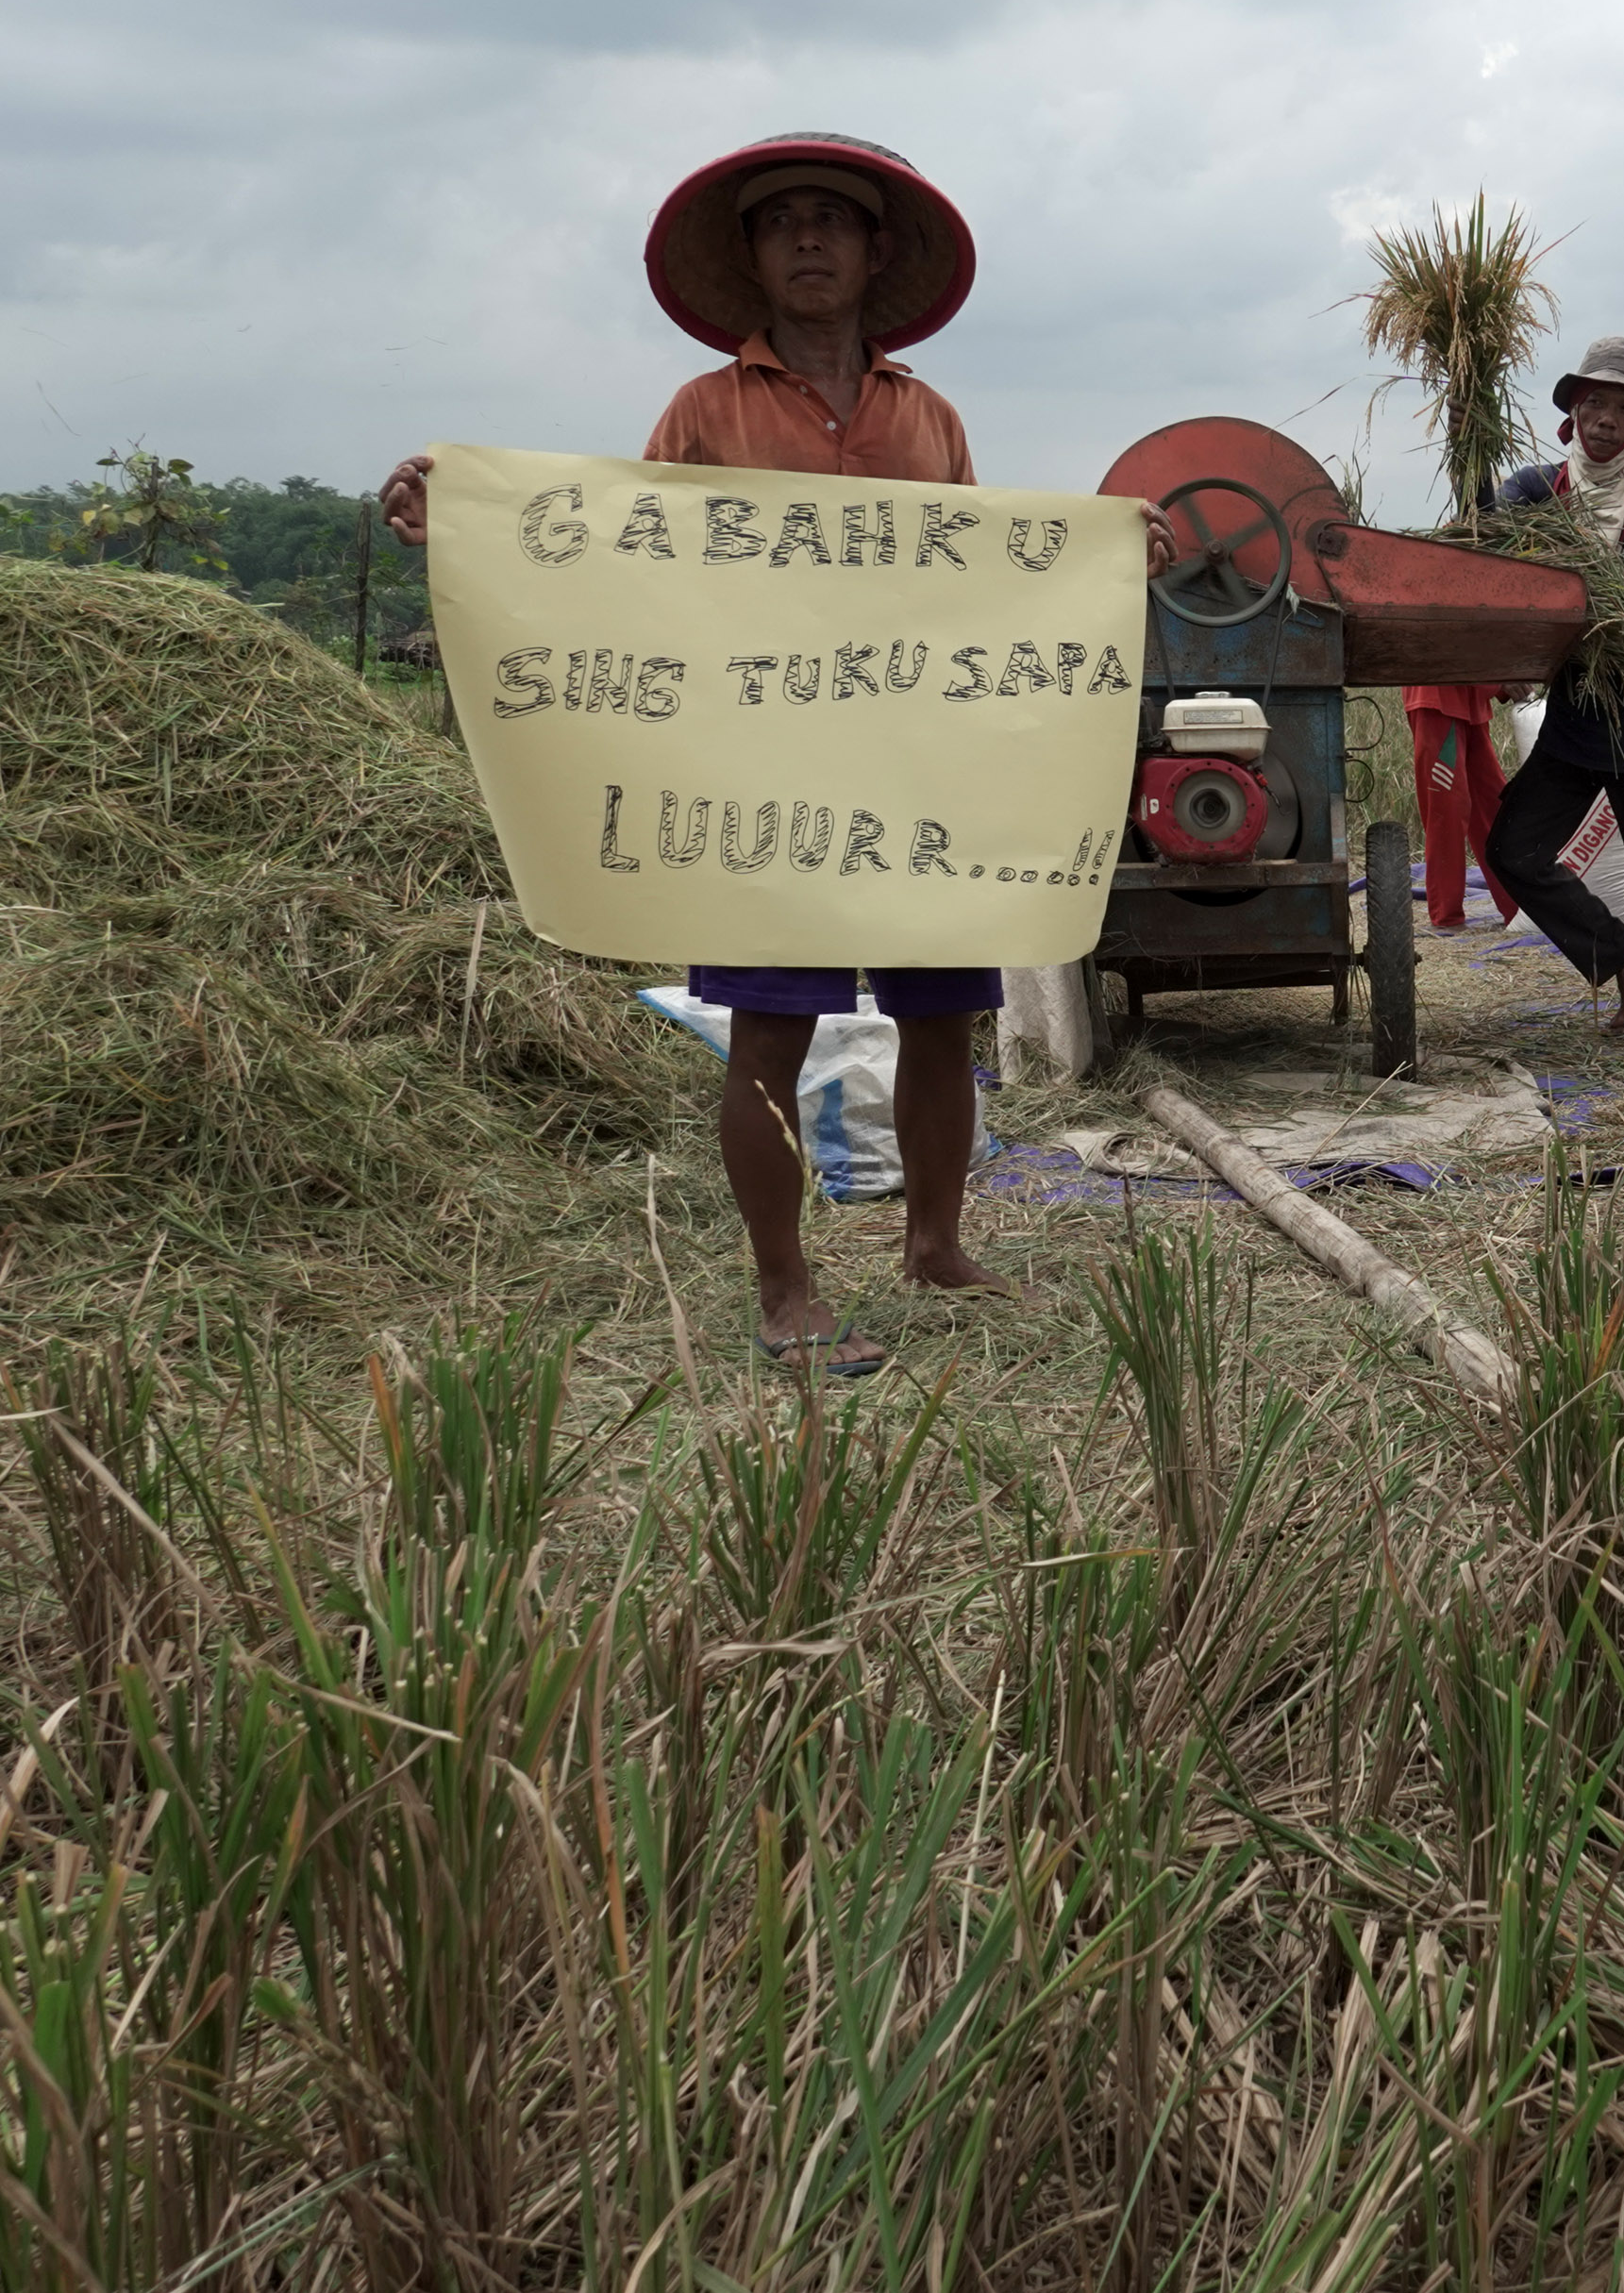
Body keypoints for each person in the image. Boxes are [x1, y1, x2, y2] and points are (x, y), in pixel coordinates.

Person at [383, 131, 1161, 1374]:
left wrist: (1116, 563)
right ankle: (784, 1283)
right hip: (762, 777)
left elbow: (988, 590)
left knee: (946, 1021)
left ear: (873, 254)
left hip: (915, 771)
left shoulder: (930, 418)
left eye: (832, 218)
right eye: (782, 219)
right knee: (768, 1031)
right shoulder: (705, 411)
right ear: (751, 254)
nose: (808, 236)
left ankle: (936, 1246)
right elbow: (614, 559)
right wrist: (465, 521)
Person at [1481, 336, 1624, 1030]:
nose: (1607, 418)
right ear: (1572, 413)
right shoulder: (1533, 488)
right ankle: (1619, 953)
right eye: (1595, 402)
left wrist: (1549, 578)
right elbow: (1493, 556)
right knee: (1511, 848)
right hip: (1575, 718)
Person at [1400, 676, 1507, 930]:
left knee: (1494, 805)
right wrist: (1497, 683)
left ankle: (1518, 907)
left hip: (1471, 698)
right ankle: (1447, 917)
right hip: (1439, 695)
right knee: (1446, 810)